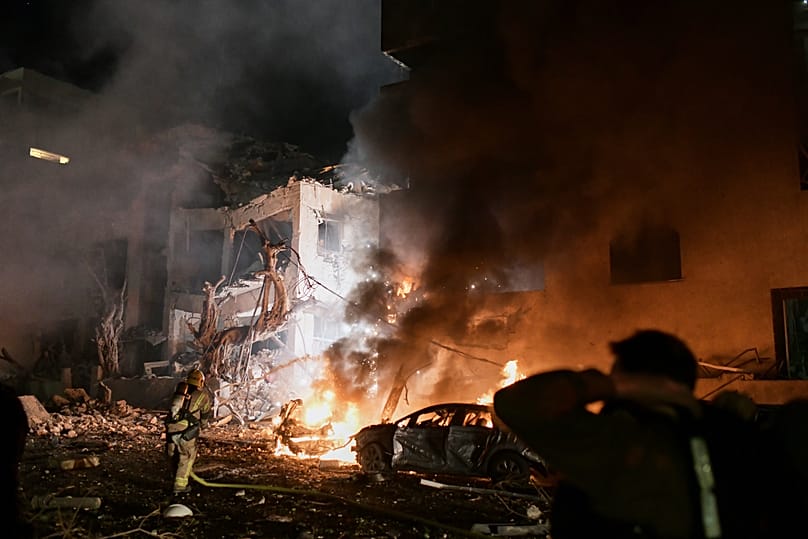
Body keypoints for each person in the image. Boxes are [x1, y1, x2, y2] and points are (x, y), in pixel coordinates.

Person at [493, 329, 761, 539]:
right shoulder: (738, 441)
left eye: (617, 372)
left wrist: (608, 386)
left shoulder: (623, 441)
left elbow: (515, 403)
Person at [165, 368, 212, 494]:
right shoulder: (203, 396)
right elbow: (206, 412)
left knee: (173, 456)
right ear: (201, 382)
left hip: (171, 430)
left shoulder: (178, 392)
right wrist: (203, 425)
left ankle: (173, 478)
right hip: (187, 431)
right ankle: (180, 487)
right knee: (186, 457)